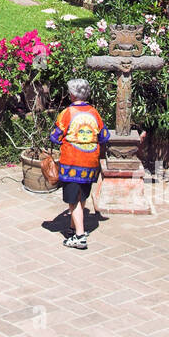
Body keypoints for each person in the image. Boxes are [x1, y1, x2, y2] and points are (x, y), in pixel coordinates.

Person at [50, 78, 109, 250]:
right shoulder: (94, 112)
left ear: (73, 94)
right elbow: (104, 136)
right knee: (82, 196)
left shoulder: (68, 113)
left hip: (72, 162)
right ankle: (73, 227)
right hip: (91, 162)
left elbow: (54, 136)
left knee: (73, 201)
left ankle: (80, 236)